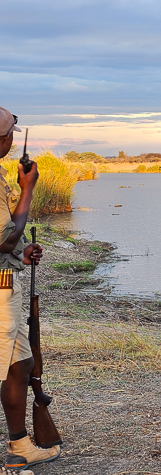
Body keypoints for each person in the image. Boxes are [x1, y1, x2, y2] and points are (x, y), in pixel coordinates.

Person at [0, 107, 60, 475]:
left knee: (20, 364)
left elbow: (6, 244)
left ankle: (20, 447)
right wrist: (28, 189)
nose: (10, 141)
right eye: (8, 135)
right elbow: (6, 236)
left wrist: (18, 254)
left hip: (6, 282)